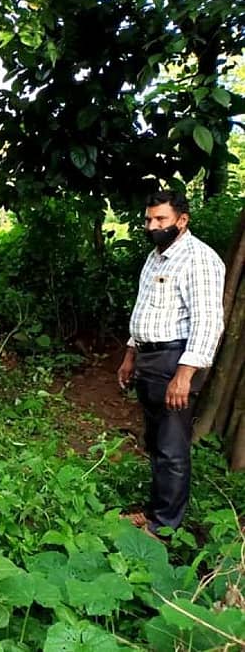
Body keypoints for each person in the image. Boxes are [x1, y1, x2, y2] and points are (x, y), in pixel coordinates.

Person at [117, 190, 225, 537]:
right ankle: (154, 511)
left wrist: (185, 373)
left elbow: (208, 320)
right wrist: (130, 354)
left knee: (171, 445)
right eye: (149, 219)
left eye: (161, 219)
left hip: (174, 359)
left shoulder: (199, 259)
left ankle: (165, 526)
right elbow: (143, 307)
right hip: (149, 356)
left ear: (182, 220)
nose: (153, 226)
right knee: (155, 440)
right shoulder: (156, 257)